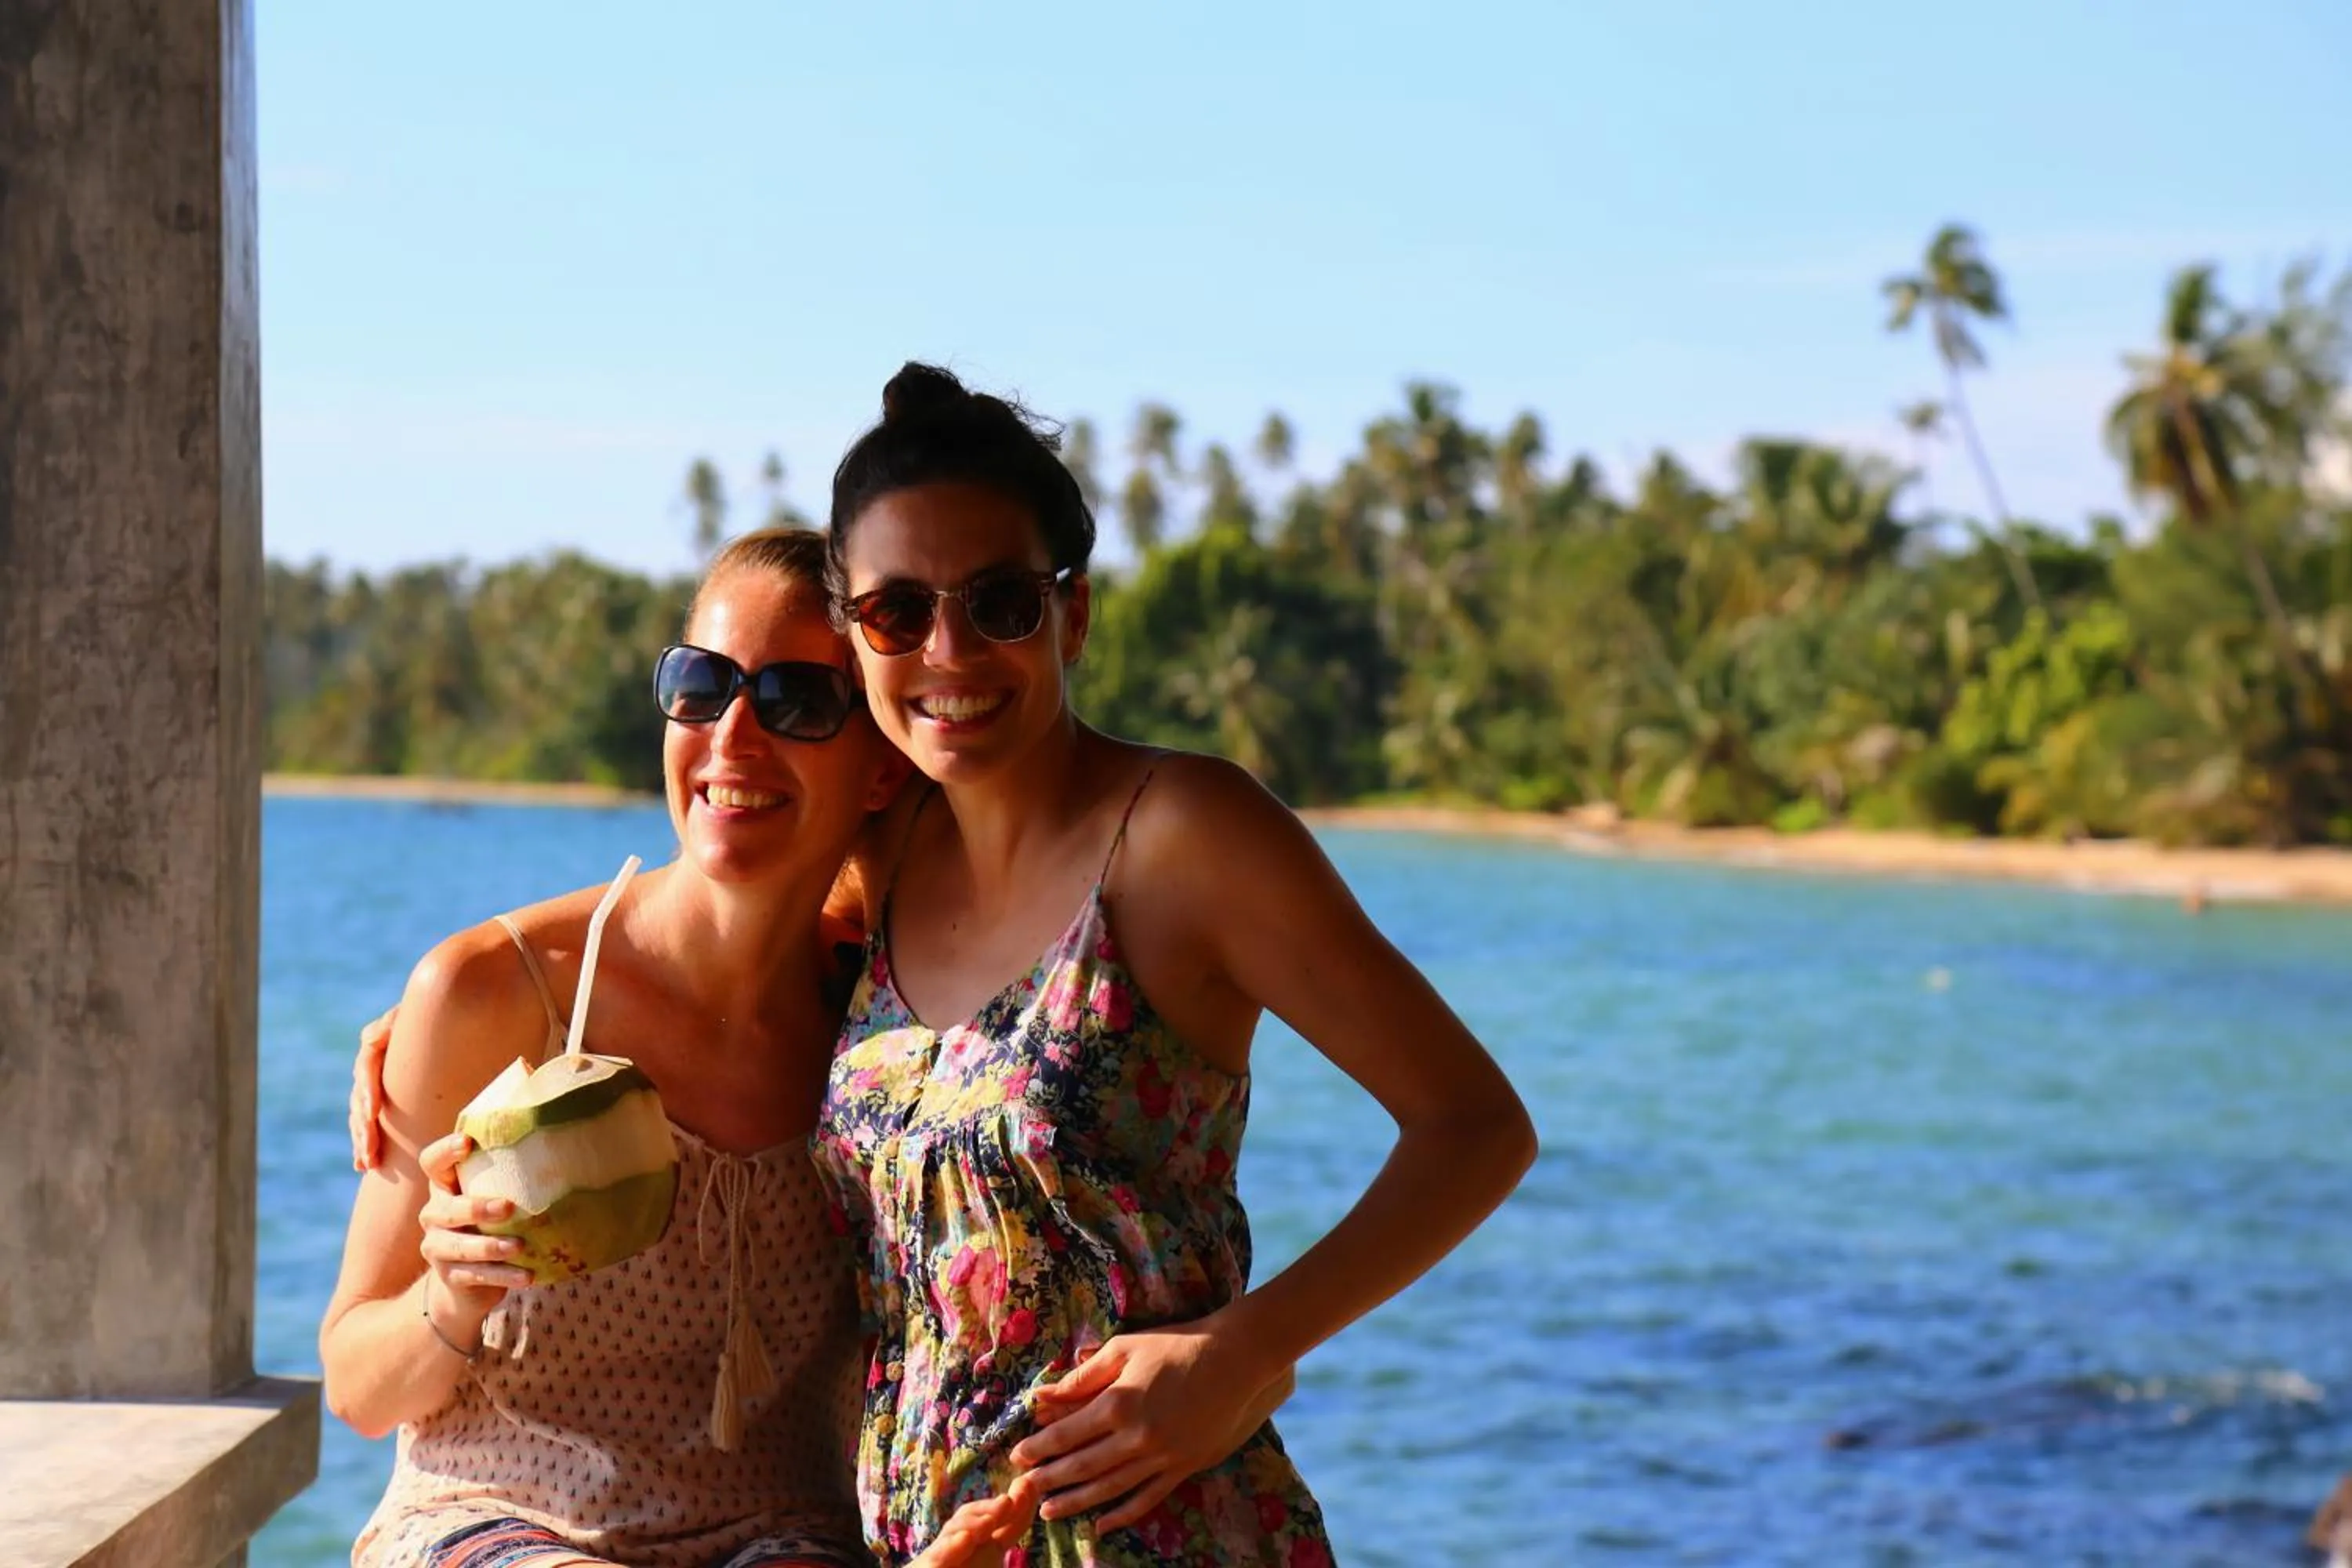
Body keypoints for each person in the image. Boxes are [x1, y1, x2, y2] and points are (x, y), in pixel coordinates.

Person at [809, 363, 1540, 1564]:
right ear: (855, 635)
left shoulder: (1182, 837)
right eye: (897, 611)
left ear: (1073, 616)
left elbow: (1474, 1127)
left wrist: (1247, 1352)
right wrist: (463, 983)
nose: (947, 648)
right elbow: (693, 913)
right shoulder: (881, 855)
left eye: (999, 602)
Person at [321, 530, 1036, 1568]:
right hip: (508, 1521)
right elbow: (354, 1385)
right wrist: (451, 1295)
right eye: (701, 687)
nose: (733, 736)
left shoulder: (887, 1025)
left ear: (882, 765)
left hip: (781, 1536)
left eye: (794, 701)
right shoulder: (496, 996)